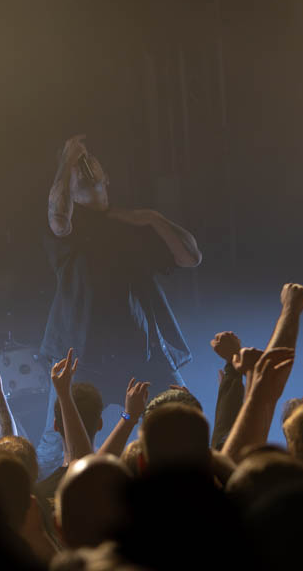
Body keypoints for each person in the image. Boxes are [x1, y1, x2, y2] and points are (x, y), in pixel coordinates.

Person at [37, 134, 201, 474]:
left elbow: (191, 258)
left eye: (89, 161)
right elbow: (59, 217)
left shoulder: (132, 225)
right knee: (57, 446)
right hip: (80, 357)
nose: (84, 165)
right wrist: (67, 162)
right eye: (76, 169)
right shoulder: (69, 228)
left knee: (183, 419)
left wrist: (153, 218)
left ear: (107, 177)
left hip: (140, 353)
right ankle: (48, 494)